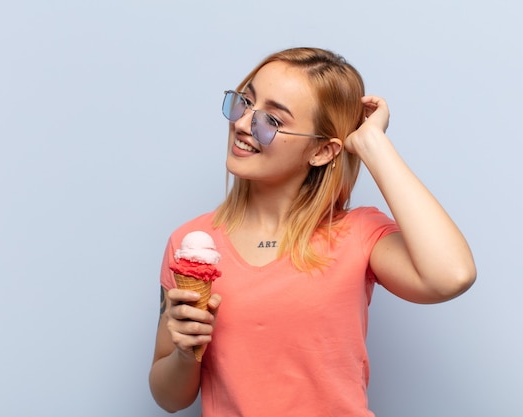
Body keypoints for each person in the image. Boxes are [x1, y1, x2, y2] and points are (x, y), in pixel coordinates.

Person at [149, 47, 476, 416]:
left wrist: (373, 144)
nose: (242, 124)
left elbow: (452, 275)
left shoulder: (358, 234)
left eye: (271, 120)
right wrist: (183, 351)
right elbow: (169, 398)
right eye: (245, 102)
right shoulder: (192, 244)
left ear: (322, 151)